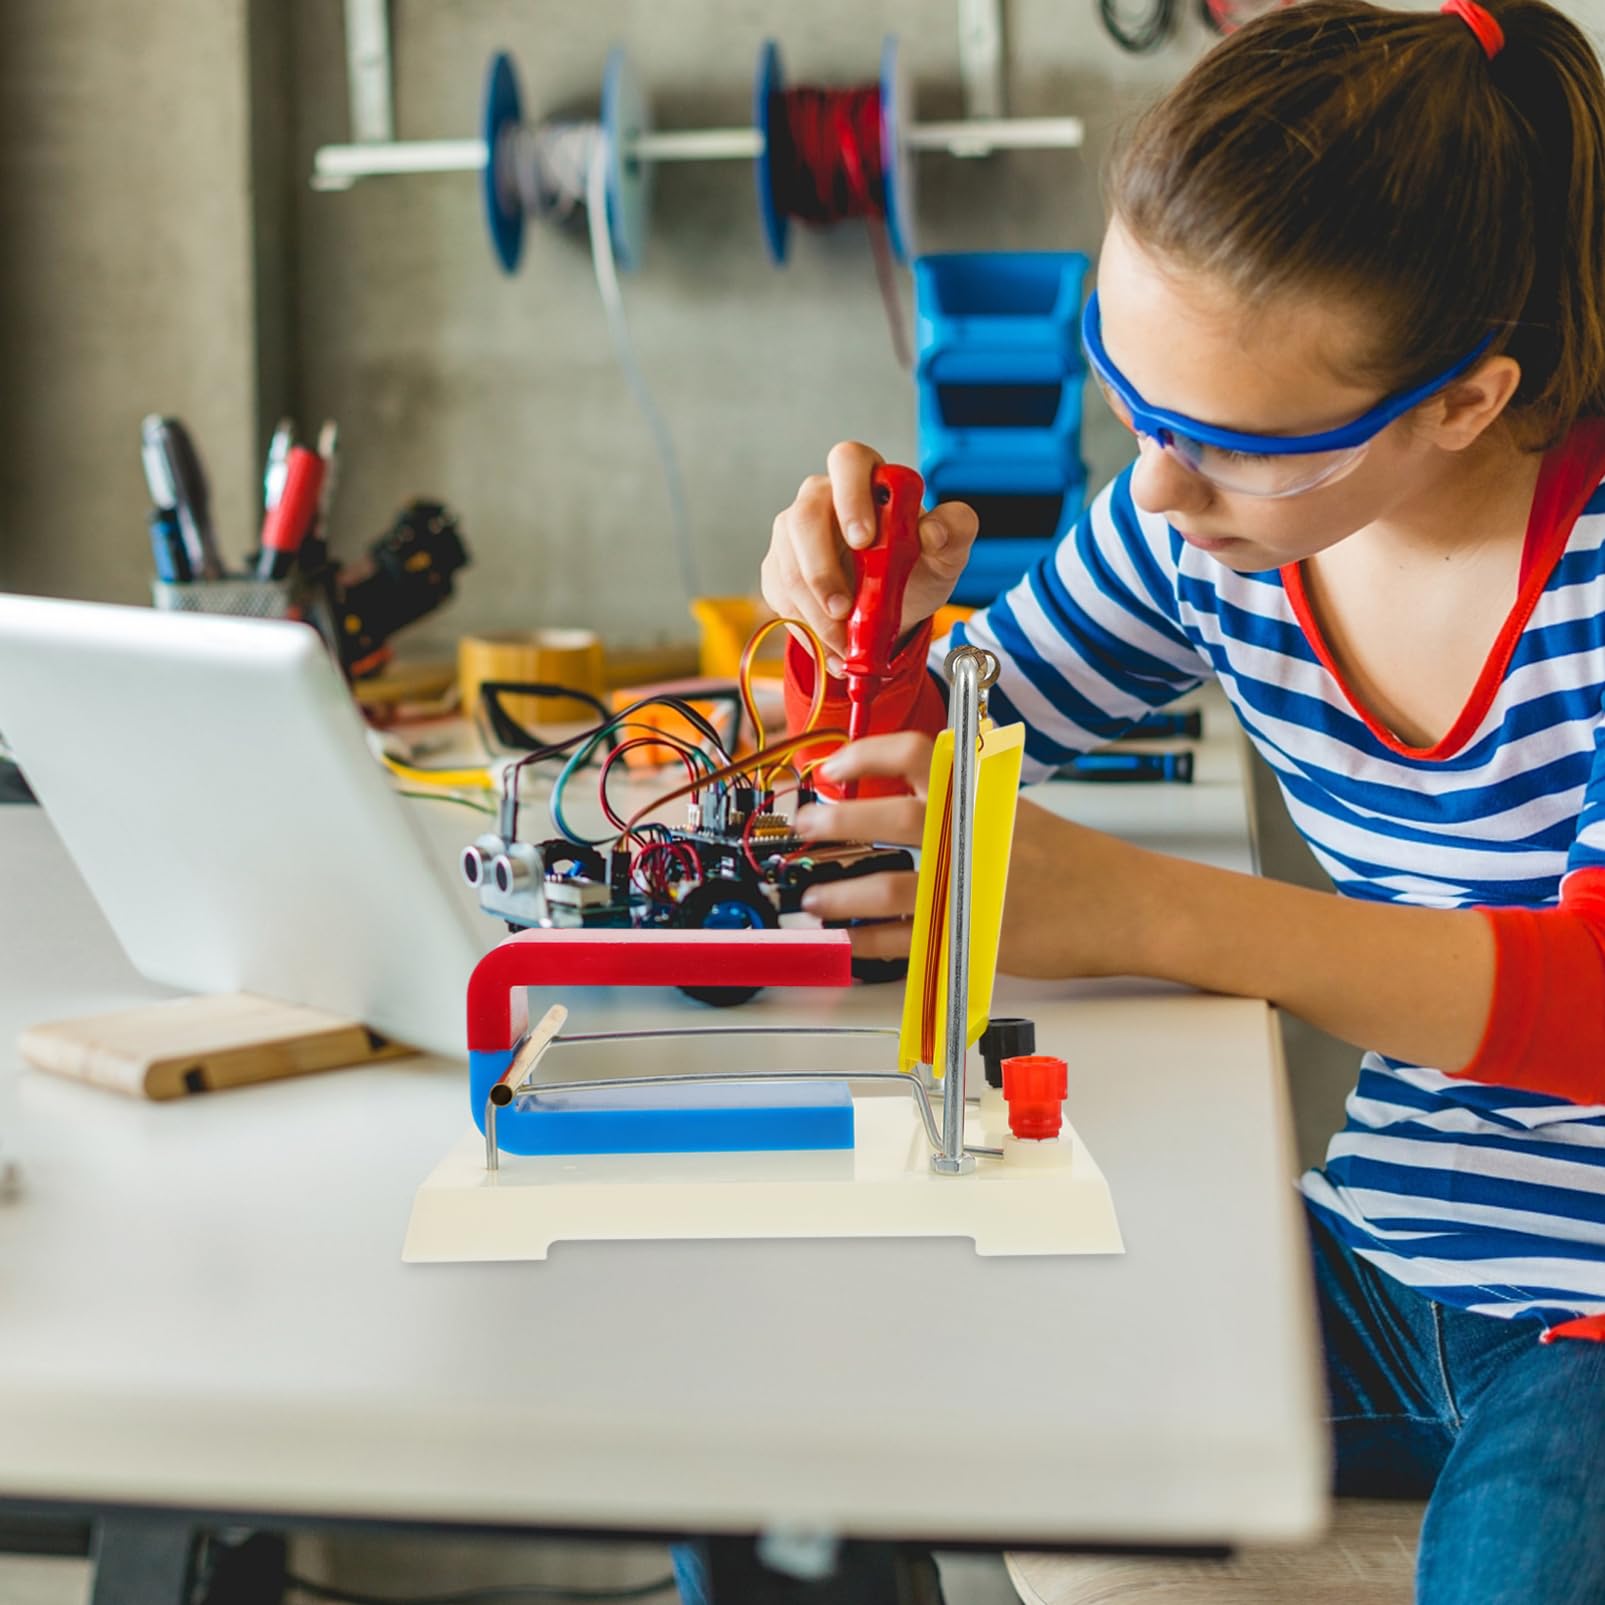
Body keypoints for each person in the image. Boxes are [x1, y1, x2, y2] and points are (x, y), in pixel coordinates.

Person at [750, 1, 1605, 1600]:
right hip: (1379, 1245)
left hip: (1588, 1314)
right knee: (821, 1379)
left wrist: (1140, 908)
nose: (1150, 482)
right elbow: (946, 741)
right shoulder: (1202, 531)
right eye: (1131, 399)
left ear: (1463, 404)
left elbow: (1591, 998)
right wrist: (854, 637)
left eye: (1222, 440)